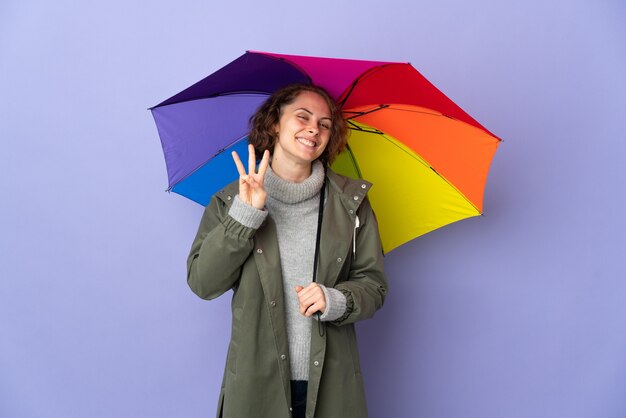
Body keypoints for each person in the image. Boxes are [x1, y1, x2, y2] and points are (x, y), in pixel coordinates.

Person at [186, 84, 388, 418]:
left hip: (331, 385)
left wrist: (336, 299)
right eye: (303, 117)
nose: (314, 128)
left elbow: (374, 285)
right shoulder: (230, 200)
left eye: (325, 124)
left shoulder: (352, 204)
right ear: (275, 123)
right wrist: (244, 216)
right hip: (256, 385)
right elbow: (203, 283)